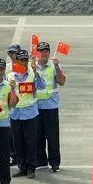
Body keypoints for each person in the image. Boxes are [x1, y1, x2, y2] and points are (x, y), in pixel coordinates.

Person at [9, 49, 45, 179]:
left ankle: (31, 168)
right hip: (15, 114)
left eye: (25, 60)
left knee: (30, 142)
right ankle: (22, 167)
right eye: (21, 60)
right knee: (18, 142)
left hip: (30, 113)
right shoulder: (11, 76)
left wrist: (35, 71)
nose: (23, 62)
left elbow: (42, 86)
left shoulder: (32, 73)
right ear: (17, 61)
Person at [33, 41, 66, 172]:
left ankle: (55, 162)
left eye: (46, 51)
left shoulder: (54, 65)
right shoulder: (32, 66)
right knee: (37, 135)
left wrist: (57, 67)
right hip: (35, 107)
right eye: (41, 50)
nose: (44, 53)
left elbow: (62, 81)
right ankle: (41, 160)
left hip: (50, 107)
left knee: (52, 136)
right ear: (38, 52)